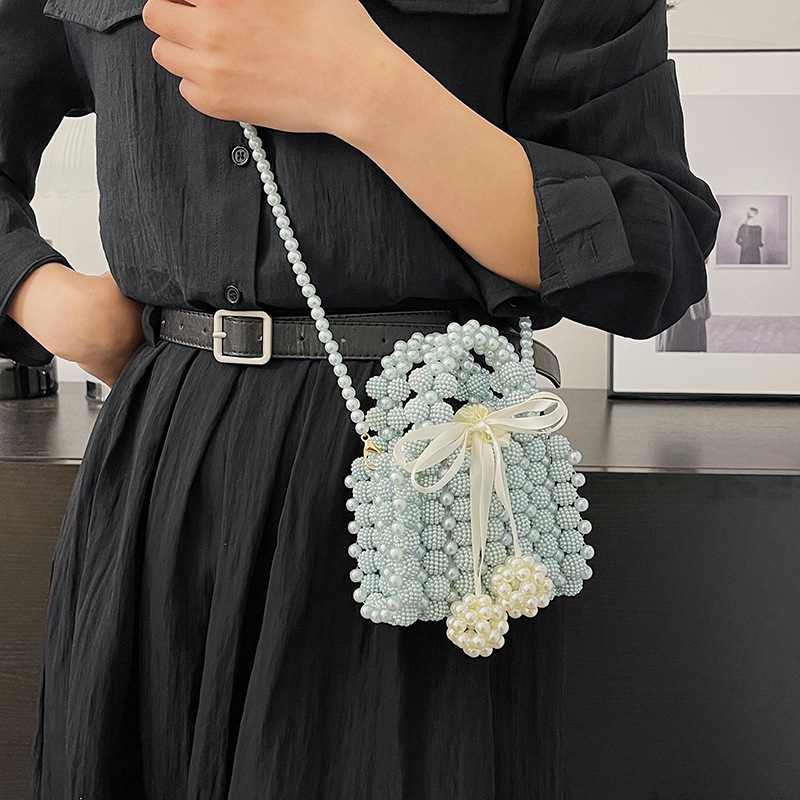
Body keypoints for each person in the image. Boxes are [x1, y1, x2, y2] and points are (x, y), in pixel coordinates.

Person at [0, 0, 720, 797]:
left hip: (432, 473)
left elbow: (653, 248)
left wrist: (368, 91)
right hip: (165, 465)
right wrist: (43, 296)